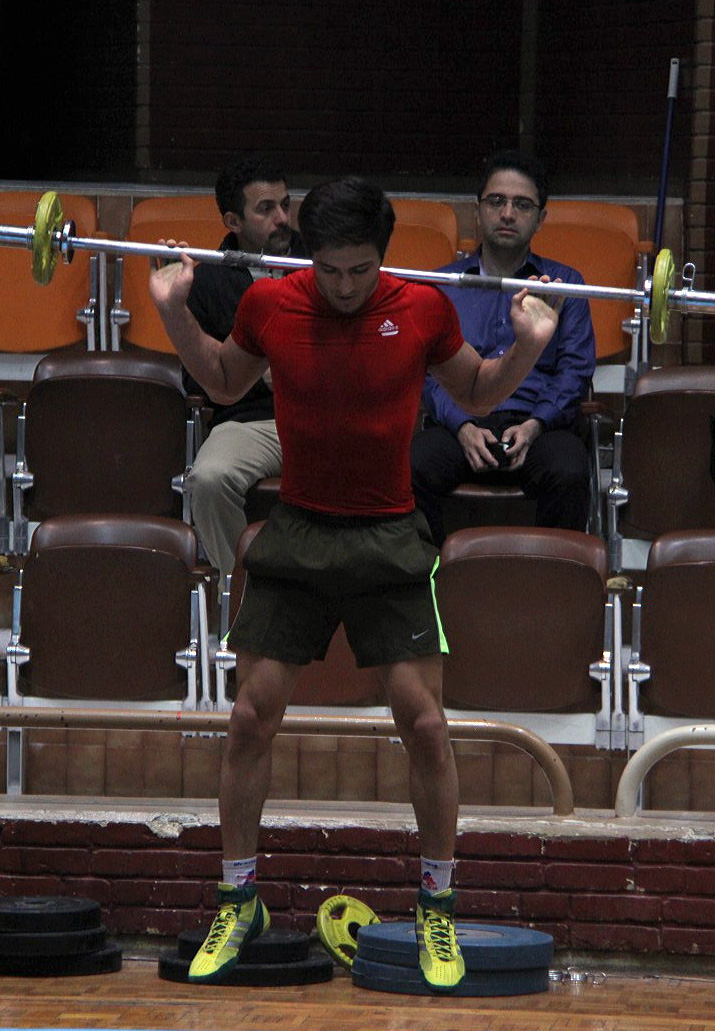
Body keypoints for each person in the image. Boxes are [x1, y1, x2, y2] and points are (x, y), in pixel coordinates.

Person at [149, 176, 559, 993]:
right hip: (299, 532)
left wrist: (528, 344)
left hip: (387, 537)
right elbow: (224, 382)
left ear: (383, 256)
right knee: (248, 716)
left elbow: (476, 390)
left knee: (426, 724)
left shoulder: (421, 308)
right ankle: (238, 899)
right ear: (310, 256)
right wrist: (173, 311)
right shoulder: (270, 303)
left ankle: (436, 906)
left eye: (360, 270)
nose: (343, 286)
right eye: (330, 270)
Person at [410, 150, 596, 547]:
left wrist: (536, 424)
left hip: (537, 426)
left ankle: (550, 580)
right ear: (477, 211)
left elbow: (575, 371)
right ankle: (433, 577)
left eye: (522, 205)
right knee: (411, 466)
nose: (507, 214)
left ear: (541, 218)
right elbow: (426, 374)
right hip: (458, 426)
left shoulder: (563, 285)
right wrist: (462, 426)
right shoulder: (441, 285)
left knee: (570, 470)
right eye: (496, 201)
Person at [184, 156, 304, 588]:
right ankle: (247, 597)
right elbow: (196, 381)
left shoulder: (326, 265)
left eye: (285, 205)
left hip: (324, 416)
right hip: (251, 422)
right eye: (266, 209)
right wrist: (251, 374)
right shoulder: (206, 280)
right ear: (233, 221)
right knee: (208, 480)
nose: (282, 218)